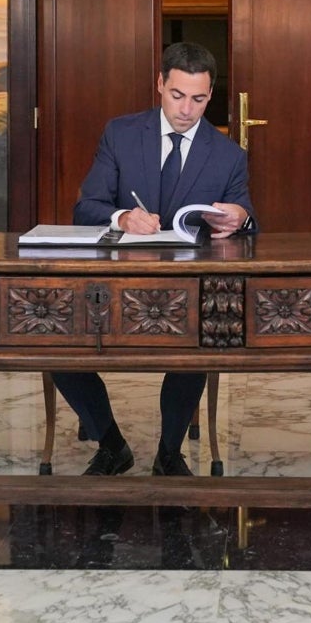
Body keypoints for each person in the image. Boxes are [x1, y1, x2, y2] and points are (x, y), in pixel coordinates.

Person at [53, 41, 256, 477]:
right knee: (53, 345)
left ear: (210, 94)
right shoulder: (122, 133)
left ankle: (169, 452)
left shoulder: (228, 155)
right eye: (177, 95)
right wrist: (123, 217)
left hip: (186, 284)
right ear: (160, 84)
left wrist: (240, 217)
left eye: (199, 99)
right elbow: (86, 207)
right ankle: (110, 443)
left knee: (201, 340)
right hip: (115, 280)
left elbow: (245, 216)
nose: (186, 109)